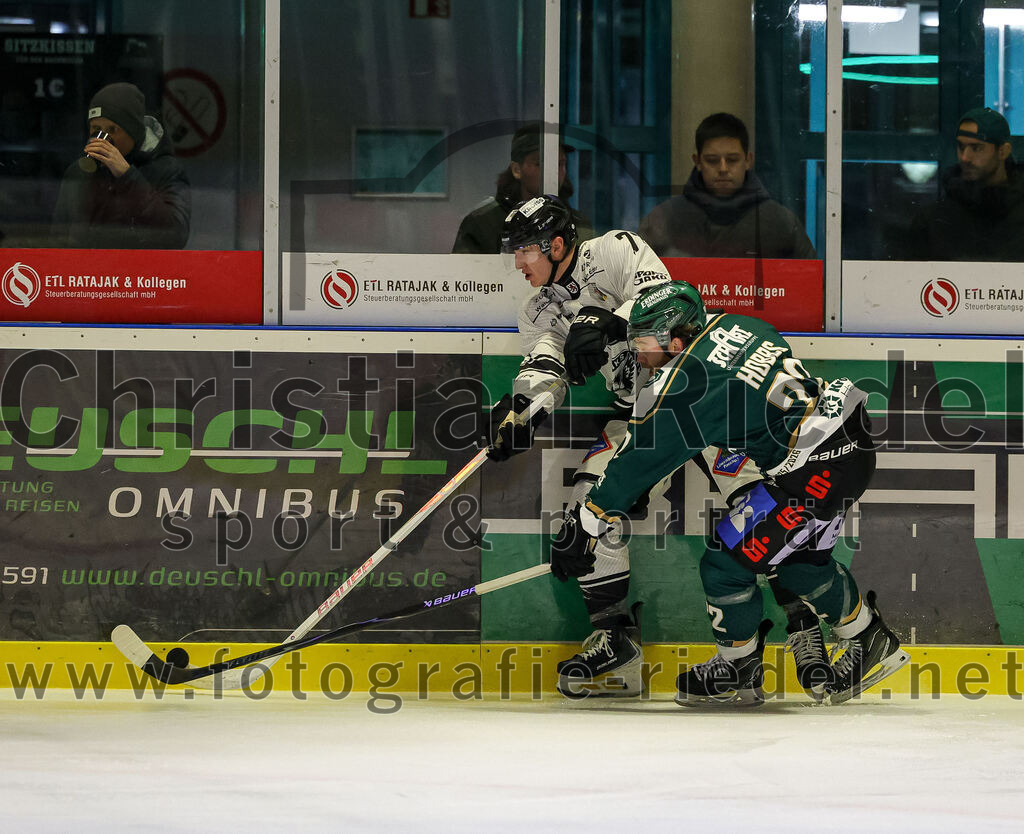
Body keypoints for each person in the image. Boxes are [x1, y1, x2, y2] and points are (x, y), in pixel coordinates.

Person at [487, 195, 816, 699]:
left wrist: (607, 322)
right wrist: (522, 411)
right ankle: (615, 641)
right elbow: (544, 366)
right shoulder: (538, 307)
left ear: (556, 245)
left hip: (702, 399)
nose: (517, 263)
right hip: (639, 415)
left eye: (524, 251)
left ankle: (804, 624)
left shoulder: (616, 251)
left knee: (760, 503)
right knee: (588, 505)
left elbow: (666, 302)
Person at [550, 281, 910, 706]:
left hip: (814, 472)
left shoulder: (685, 383)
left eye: (642, 343)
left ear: (675, 338)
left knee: (725, 564)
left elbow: (635, 462)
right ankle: (871, 640)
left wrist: (586, 523)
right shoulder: (735, 324)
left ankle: (738, 668)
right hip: (846, 443)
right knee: (797, 563)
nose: (638, 355)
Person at [638, 112, 815, 259]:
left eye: (732, 160)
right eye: (712, 160)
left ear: (748, 160)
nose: (723, 169)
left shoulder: (780, 223)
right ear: (697, 161)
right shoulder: (664, 221)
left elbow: (813, 288)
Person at [51, 82, 191, 249]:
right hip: (88, 272)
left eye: (112, 129)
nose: (102, 137)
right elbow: (58, 238)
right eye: (96, 128)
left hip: (139, 272)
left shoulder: (166, 170)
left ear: (133, 132)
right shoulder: (78, 172)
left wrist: (127, 176)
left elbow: (176, 236)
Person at [902, 107, 1024, 261]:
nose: (965, 157)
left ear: (1003, 151)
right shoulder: (934, 221)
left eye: (976, 148)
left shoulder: (936, 221)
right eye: (961, 147)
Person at [452, 123, 592, 253]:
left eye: (560, 163)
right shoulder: (482, 224)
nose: (554, 172)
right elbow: (463, 275)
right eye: (540, 164)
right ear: (516, 169)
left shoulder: (578, 224)